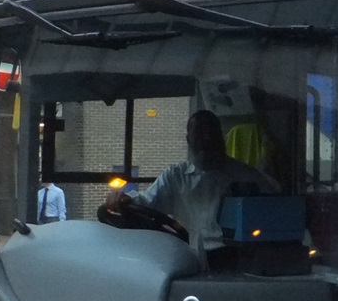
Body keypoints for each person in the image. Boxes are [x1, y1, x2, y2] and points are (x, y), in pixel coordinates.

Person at [105, 109, 279, 258]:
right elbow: (147, 201)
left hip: (239, 259)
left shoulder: (246, 175)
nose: (207, 138)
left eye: (212, 132)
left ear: (222, 137)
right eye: (200, 133)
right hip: (192, 259)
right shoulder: (175, 176)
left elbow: (274, 208)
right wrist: (123, 198)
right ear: (189, 139)